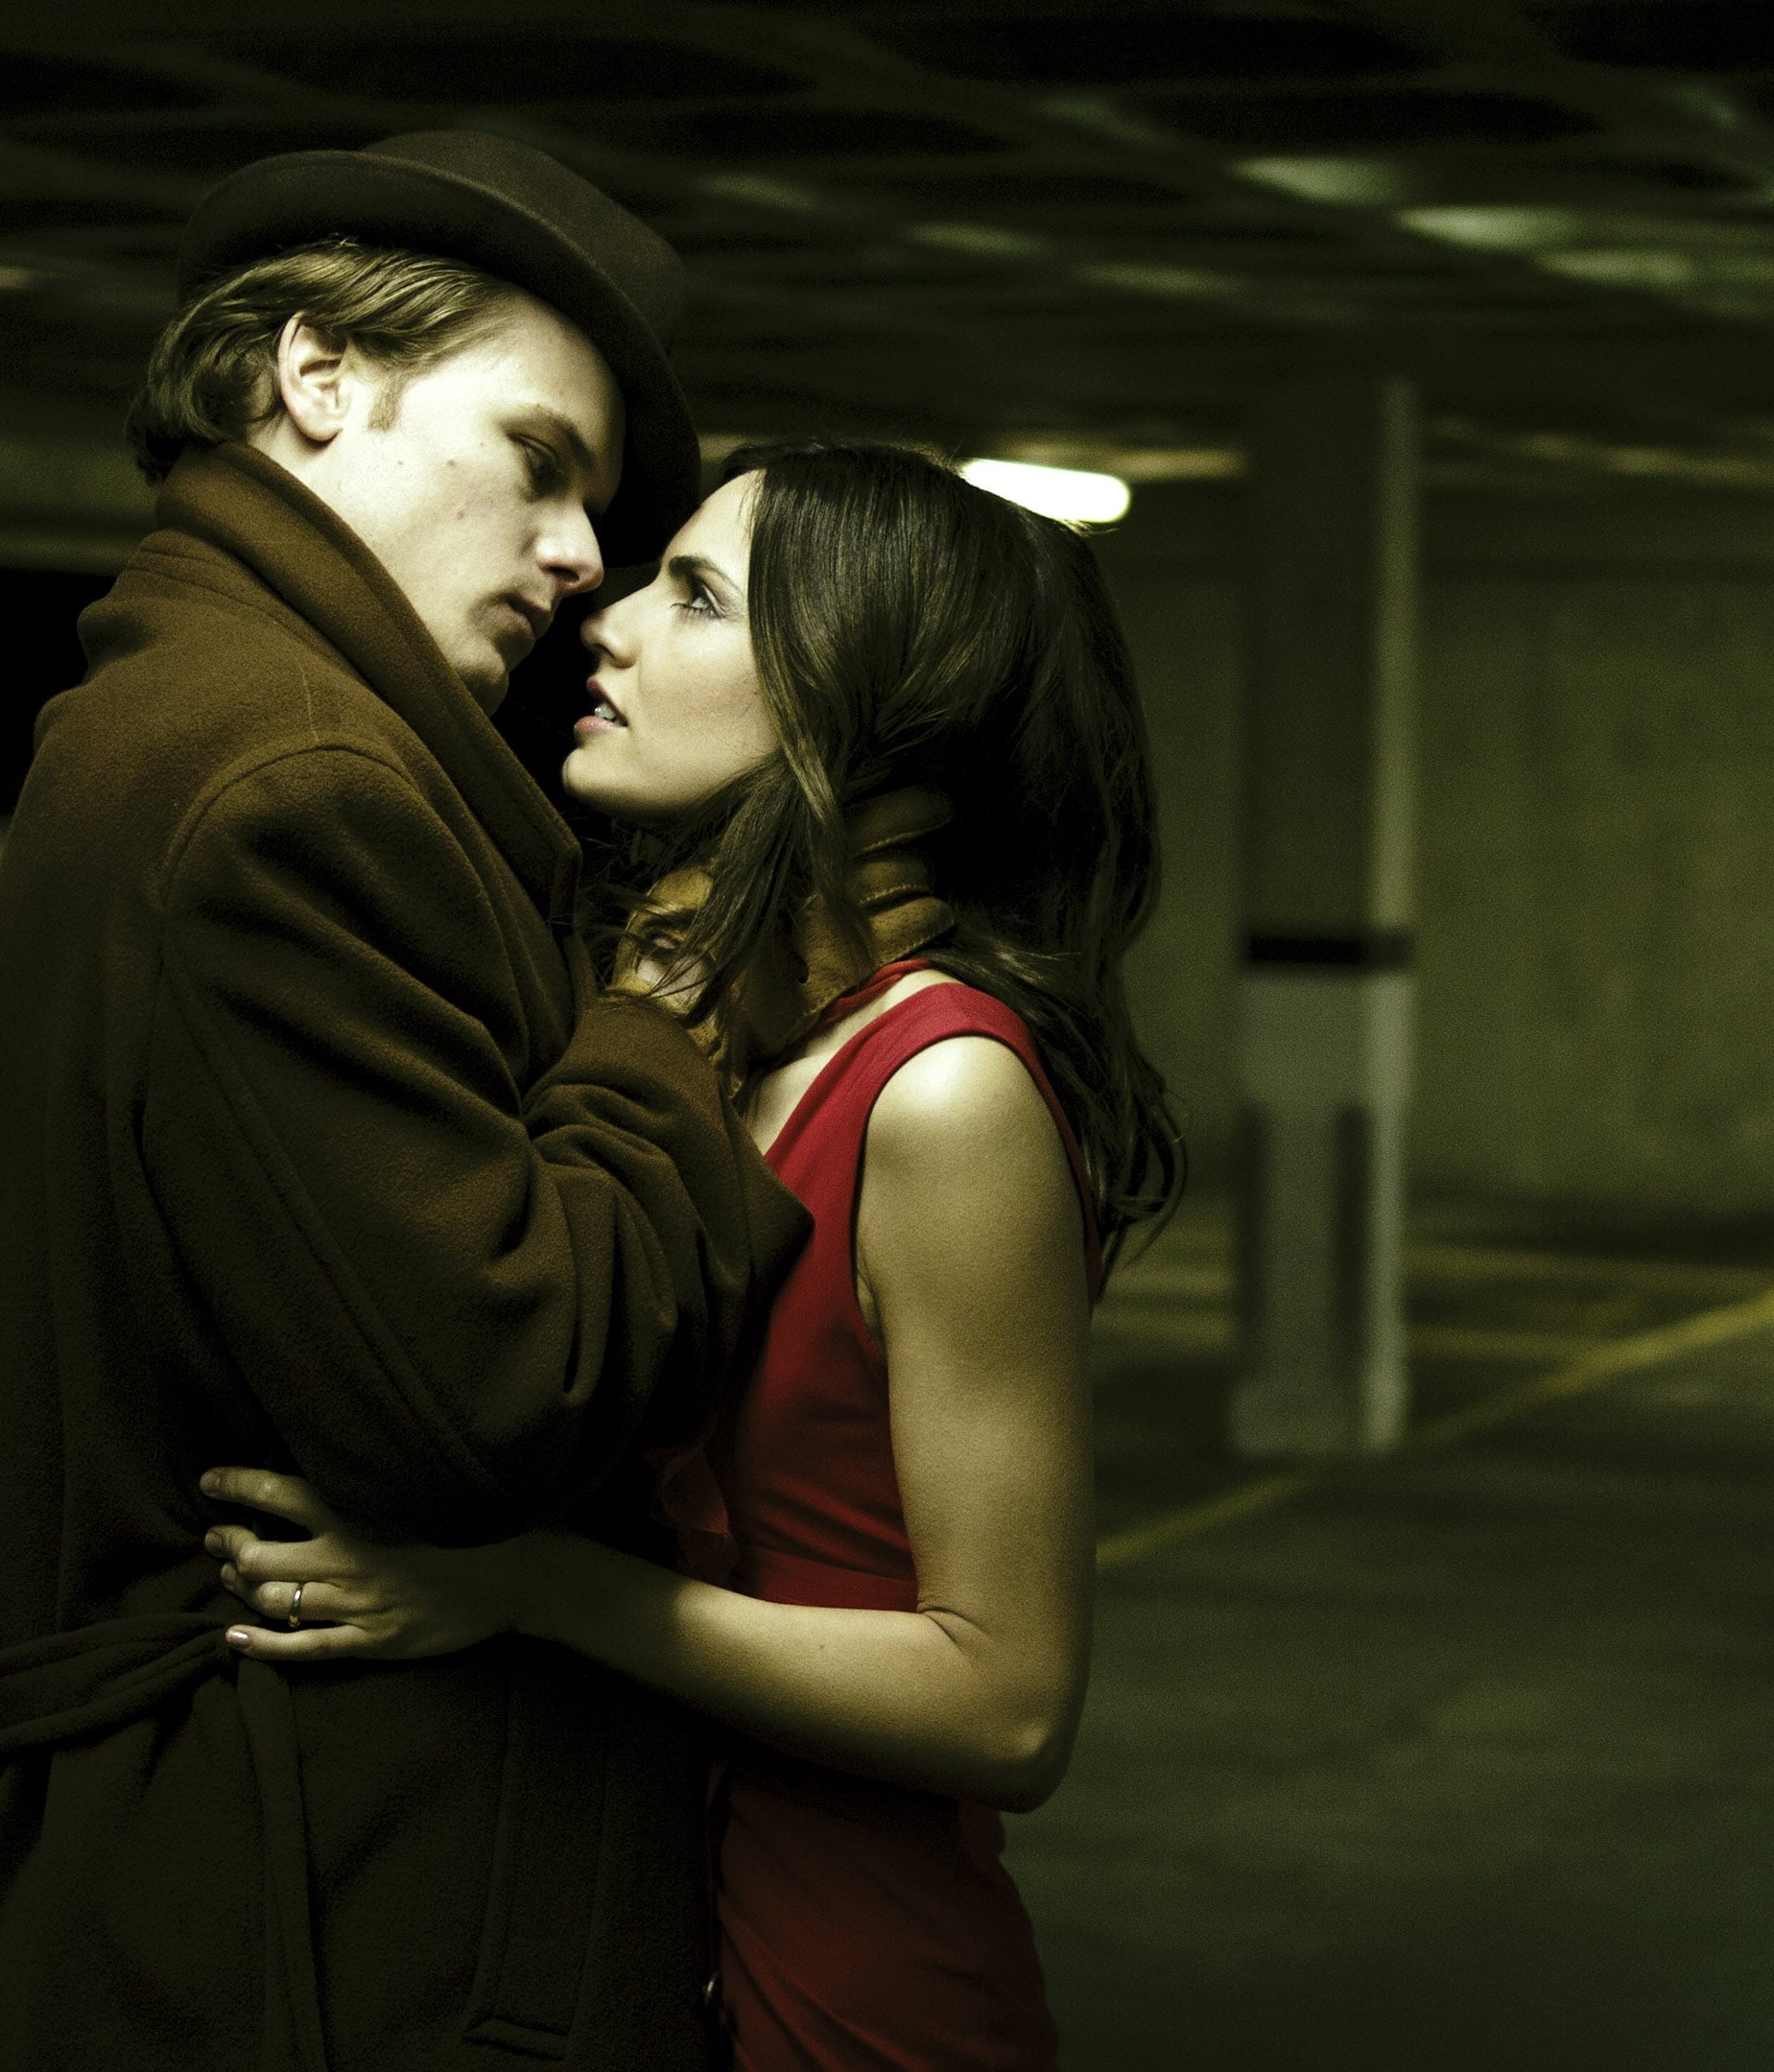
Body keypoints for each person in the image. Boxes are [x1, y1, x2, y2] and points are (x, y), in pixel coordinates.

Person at [0, 132, 811, 2071]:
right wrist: (663, 1008)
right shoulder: (298, 782)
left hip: (251, 1868)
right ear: (319, 377)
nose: (580, 558)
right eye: (540, 462)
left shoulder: (176, 704)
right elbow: (507, 1387)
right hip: (336, 1909)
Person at [185, 440, 1182, 2071]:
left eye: (700, 598)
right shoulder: (701, 1037)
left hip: (849, 1999)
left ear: (879, 732)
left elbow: (1006, 1703)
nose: (612, 618)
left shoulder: (942, 1090)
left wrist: (522, 1587)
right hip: (637, 1941)